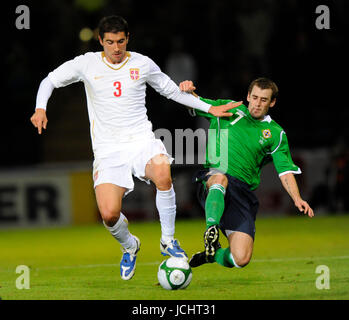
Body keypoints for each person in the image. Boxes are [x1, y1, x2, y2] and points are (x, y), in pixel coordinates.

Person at [30, 15, 239, 281]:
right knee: (108, 214)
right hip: (108, 151)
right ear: (100, 41)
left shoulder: (142, 63)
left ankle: (168, 240)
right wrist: (40, 108)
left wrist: (210, 108)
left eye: (120, 41)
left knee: (163, 171)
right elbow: (49, 81)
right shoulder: (86, 63)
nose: (115, 48)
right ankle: (130, 245)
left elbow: (171, 91)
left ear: (127, 39)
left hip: (141, 141)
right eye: (109, 42)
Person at [179, 77, 314, 269]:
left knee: (240, 258)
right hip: (214, 181)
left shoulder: (275, 133)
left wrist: (297, 199)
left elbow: (284, 171)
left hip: (242, 193)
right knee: (220, 177)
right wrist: (187, 91)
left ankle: (213, 254)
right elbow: (195, 103)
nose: (258, 104)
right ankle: (211, 230)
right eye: (255, 97)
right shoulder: (228, 108)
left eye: (264, 100)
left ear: (272, 102)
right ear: (248, 96)